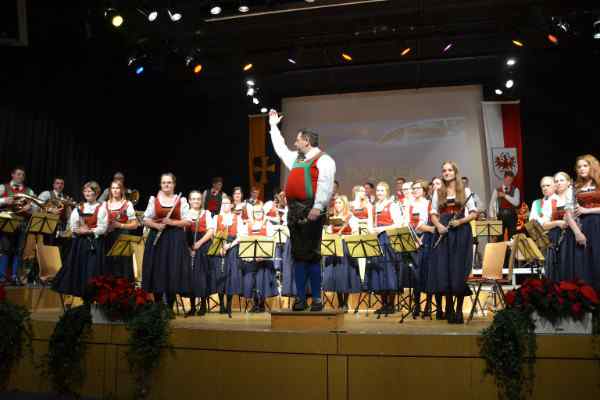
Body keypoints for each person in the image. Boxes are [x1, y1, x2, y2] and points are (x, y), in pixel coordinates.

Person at [269, 109, 336, 312]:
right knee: (298, 256)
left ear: (306, 141)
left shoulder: (324, 160)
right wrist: (273, 126)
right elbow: (280, 148)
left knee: (312, 255)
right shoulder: (296, 159)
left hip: (311, 211)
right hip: (294, 213)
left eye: (297, 140)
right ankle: (300, 299)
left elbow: (325, 184)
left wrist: (318, 207)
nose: (295, 143)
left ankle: (316, 298)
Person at [427, 161, 478, 324]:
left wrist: (460, 221)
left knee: (458, 271)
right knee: (445, 270)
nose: (447, 172)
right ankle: (449, 309)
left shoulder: (465, 190)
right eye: (444, 170)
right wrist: (439, 226)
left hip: (461, 232)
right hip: (444, 232)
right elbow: (433, 214)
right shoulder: (438, 192)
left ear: (455, 172)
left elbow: (474, 213)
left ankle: (459, 311)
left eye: (450, 170)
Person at [142, 173, 191, 310]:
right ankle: (158, 306)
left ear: (174, 184)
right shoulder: (154, 200)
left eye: (169, 182)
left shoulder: (181, 200)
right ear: (160, 184)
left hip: (175, 238)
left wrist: (172, 222)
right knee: (157, 269)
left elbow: (188, 221)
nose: (166, 185)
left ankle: (170, 307)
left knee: (172, 269)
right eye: (164, 182)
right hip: (157, 238)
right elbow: (145, 219)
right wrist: (156, 225)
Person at [52, 181, 108, 297]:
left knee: (92, 270)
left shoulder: (101, 208)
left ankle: (91, 296)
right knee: (79, 269)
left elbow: (103, 228)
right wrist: (76, 230)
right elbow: (72, 225)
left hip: (94, 244)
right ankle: (80, 295)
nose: (87, 193)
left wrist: (89, 231)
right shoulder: (79, 207)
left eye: (90, 191)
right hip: (80, 244)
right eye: (85, 191)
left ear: (96, 193)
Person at [564, 155, 600, 289]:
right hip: (583, 228)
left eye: (585, 165)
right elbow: (568, 213)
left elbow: (584, 210)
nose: (582, 169)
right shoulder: (574, 187)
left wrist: (587, 210)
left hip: (598, 226)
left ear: (592, 167)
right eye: (579, 167)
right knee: (584, 265)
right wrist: (577, 233)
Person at [368, 181, 404, 315]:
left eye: (382, 190)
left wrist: (382, 228)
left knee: (389, 271)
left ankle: (391, 304)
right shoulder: (374, 206)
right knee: (378, 271)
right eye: (378, 190)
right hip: (377, 239)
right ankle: (383, 304)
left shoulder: (392, 205)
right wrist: (372, 230)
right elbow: (370, 224)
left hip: (388, 239)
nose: (379, 193)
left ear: (387, 192)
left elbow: (398, 223)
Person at [322, 195, 361, 312]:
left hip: (346, 247)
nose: (337, 205)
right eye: (336, 203)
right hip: (335, 247)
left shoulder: (350, 217)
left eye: (340, 203)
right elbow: (329, 232)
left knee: (345, 273)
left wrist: (344, 236)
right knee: (337, 273)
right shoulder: (333, 218)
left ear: (344, 204)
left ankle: (345, 303)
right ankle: (340, 303)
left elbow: (355, 233)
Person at [0, 166, 36, 285]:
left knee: (19, 251)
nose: (21, 177)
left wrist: (30, 208)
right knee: (5, 249)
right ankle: (2, 276)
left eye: (23, 175)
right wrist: (4, 201)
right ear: (13, 175)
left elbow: (36, 207)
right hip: (7, 223)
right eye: (18, 174)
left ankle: (15, 276)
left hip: (22, 224)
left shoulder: (29, 191)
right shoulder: (3, 187)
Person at [406, 180, 436, 318]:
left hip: (426, 240)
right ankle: (417, 305)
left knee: (427, 273)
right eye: (414, 188)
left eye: (417, 188)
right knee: (415, 275)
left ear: (424, 190)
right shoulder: (410, 204)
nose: (415, 190)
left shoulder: (428, 203)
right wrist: (413, 239)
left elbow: (427, 224)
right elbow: (408, 223)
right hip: (413, 240)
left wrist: (421, 240)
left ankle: (428, 305)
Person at [212, 195, 244, 316]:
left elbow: (240, 236)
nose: (225, 205)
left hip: (232, 247)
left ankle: (229, 305)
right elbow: (213, 234)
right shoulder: (217, 217)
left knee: (230, 275)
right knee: (220, 274)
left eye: (227, 203)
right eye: (223, 203)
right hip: (219, 247)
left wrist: (229, 245)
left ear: (231, 205)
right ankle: (221, 305)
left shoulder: (237, 218)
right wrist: (220, 246)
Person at [184, 191, 215, 317]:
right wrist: (189, 248)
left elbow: (211, 231)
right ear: (189, 200)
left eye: (198, 199)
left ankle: (203, 306)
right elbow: (183, 232)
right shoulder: (185, 214)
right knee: (190, 277)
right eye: (193, 199)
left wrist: (199, 243)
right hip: (189, 246)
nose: (196, 201)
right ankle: (192, 307)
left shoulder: (206, 213)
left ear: (201, 201)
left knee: (202, 276)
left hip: (203, 246)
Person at [103, 180, 139, 279]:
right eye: (113, 188)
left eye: (117, 188)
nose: (115, 190)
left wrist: (120, 225)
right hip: (108, 238)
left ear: (121, 190)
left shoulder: (127, 204)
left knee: (123, 266)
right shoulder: (105, 204)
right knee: (110, 267)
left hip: (122, 237)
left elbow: (135, 225)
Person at [541, 173, 570, 282]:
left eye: (561, 180)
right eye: (556, 181)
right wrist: (558, 223)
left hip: (572, 238)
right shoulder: (551, 200)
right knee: (557, 270)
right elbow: (544, 225)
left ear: (568, 182)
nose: (558, 183)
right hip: (556, 238)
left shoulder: (573, 197)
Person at [488, 171, 520, 241]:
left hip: (512, 216)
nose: (509, 182)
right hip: (500, 216)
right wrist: (492, 217)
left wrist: (505, 195)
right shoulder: (497, 190)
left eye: (511, 180)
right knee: (499, 238)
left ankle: (511, 248)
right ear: (504, 179)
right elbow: (491, 205)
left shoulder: (516, 190)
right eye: (507, 180)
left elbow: (516, 203)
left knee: (512, 238)